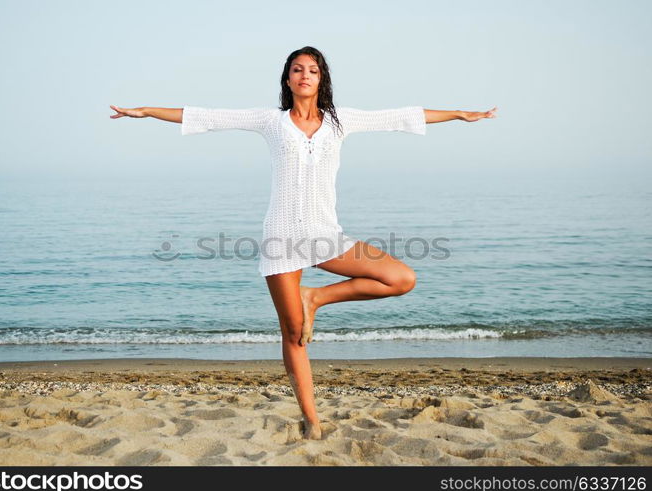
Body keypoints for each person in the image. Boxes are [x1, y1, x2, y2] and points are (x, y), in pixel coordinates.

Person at [109, 46, 497, 440]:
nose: (305, 75)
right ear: (288, 79)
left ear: (321, 78)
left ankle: (316, 298)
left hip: (327, 236)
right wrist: (145, 111)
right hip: (281, 238)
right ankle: (312, 421)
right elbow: (207, 117)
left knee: (401, 278)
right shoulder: (272, 122)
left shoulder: (340, 121)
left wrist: (459, 115)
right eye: (297, 69)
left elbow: (400, 117)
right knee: (293, 333)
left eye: (312, 69)